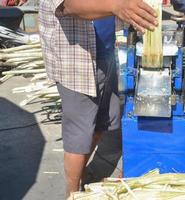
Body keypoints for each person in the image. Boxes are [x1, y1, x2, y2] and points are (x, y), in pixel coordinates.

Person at [38, 0, 157, 199]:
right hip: (76, 60)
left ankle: (83, 172)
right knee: (79, 134)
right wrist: (117, 7)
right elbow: (70, 6)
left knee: (104, 123)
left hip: (105, 54)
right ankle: (73, 194)